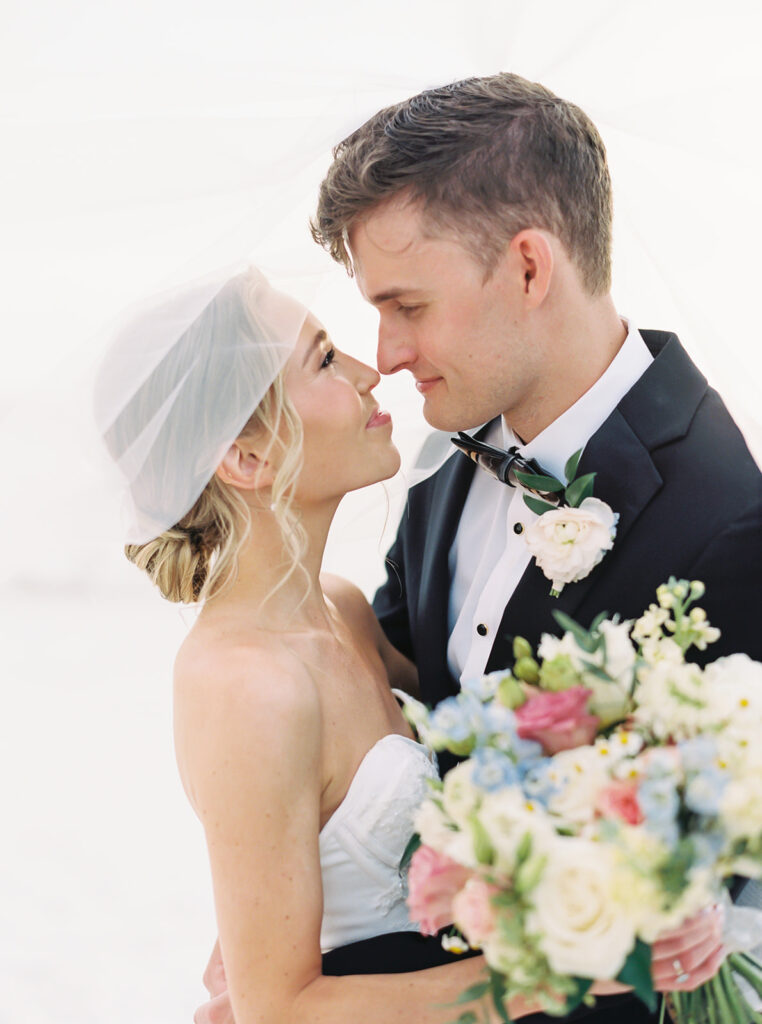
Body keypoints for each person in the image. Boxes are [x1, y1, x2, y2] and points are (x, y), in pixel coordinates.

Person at [313, 71, 760, 1022]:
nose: (385, 352)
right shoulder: (446, 455)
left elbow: (728, 903)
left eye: (409, 305)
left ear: (528, 266)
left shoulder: (729, 525)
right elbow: (401, 722)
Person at [99, 265, 573, 1024]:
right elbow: (277, 1008)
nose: (367, 372)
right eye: (323, 360)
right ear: (247, 458)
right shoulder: (244, 686)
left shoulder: (345, 609)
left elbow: (498, 713)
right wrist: (554, 977)